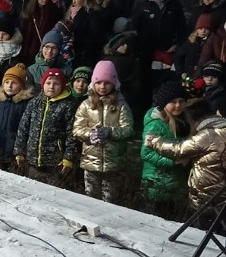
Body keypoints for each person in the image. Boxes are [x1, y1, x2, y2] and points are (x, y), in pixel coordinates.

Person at [145, 100, 226, 218]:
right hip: (221, 192)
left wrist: (155, 141)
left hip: (207, 193)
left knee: (202, 226)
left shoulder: (209, 135)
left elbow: (179, 149)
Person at [72, 60, 134, 203]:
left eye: (107, 83)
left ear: (114, 83)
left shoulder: (121, 105)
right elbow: (77, 129)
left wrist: (110, 132)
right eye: (99, 82)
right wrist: (89, 134)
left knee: (110, 202)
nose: (102, 87)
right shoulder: (86, 105)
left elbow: (128, 129)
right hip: (90, 161)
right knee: (91, 199)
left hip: (113, 163)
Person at [14, 70, 78, 185]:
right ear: (43, 84)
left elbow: (72, 134)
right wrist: (19, 151)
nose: (52, 87)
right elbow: (23, 128)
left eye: (56, 84)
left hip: (55, 163)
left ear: (62, 86)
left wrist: (68, 158)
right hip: (32, 160)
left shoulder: (68, 106)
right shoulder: (34, 103)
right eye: (48, 83)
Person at [140, 79, 190, 218]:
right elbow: (146, 153)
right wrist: (173, 162)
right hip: (156, 184)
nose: (178, 105)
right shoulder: (155, 125)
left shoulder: (185, 122)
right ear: (164, 103)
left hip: (175, 184)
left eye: (181, 101)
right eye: (173, 102)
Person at [0, 63, 33, 171]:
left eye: (14, 83)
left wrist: (21, 145)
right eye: (7, 82)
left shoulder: (25, 104)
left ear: (22, 86)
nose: (9, 86)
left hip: (14, 151)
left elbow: (28, 126)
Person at [20, 0, 62, 65]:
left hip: (45, 46)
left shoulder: (53, 10)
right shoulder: (29, 10)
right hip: (29, 46)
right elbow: (23, 30)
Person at [173, 15, 211, 80]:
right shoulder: (190, 42)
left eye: (206, 28)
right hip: (190, 75)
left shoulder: (212, 42)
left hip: (206, 75)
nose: (203, 31)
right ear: (196, 29)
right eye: (200, 28)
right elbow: (178, 57)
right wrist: (181, 72)